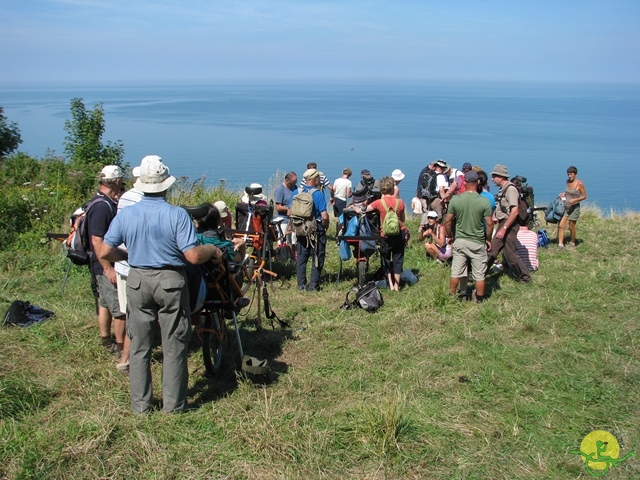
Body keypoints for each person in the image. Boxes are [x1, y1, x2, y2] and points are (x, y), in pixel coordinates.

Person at [100, 155, 222, 414]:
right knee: (174, 343)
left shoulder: (127, 214)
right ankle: (174, 406)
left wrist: (128, 256)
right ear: (166, 185)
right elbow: (191, 256)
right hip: (169, 280)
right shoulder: (177, 215)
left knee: (140, 345)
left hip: (137, 280)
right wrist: (211, 249)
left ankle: (141, 406)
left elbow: (105, 251)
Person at [86, 165, 126, 359]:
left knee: (104, 302)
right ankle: (120, 347)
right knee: (119, 307)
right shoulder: (103, 206)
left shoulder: (100, 202)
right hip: (104, 263)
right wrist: (108, 268)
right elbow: (97, 240)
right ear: (116, 182)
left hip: (99, 262)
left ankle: (105, 340)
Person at [444, 171, 494, 303]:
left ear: (464, 182)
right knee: (479, 275)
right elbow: (489, 224)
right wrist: (488, 239)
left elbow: (448, 221)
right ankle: (479, 299)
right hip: (477, 241)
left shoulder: (456, 199)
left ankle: (452, 297)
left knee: (456, 271)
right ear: (478, 182)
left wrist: (450, 236)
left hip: (460, 240)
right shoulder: (484, 201)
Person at [113, 165, 144, 374]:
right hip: (137, 266)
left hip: (123, 263)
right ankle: (127, 359)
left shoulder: (124, 198)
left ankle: (124, 353)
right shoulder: (141, 200)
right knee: (136, 316)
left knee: (129, 312)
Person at [485, 164, 532, 284]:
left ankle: (525, 278)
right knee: (495, 250)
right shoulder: (504, 189)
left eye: (494, 176)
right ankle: (480, 274)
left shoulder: (510, 189)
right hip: (504, 223)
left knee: (508, 253)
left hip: (508, 224)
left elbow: (514, 211)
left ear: (501, 177)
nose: (492, 178)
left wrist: (504, 228)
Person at [291, 168, 329, 292]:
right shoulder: (318, 194)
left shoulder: (296, 192)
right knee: (317, 256)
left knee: (301, 257)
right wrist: (325, 226)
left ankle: (301, 285)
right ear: (315, 179)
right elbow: (324, 216)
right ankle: (313, 286)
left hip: (300, 227)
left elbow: (290, 211)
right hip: (315, 228)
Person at [366, 176, 406, 291]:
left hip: (385, 236)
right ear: (392, 189)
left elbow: (365, 209)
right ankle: (397, 286)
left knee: (386, 259)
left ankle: (390, 284)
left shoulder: (379, 203)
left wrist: (356, 207)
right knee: (398, 258)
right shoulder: (400, 202)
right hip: (399, 233)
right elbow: (402, 219)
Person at [557, 165, 587, 250]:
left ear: (575, 174)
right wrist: (564, 194)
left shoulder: (579, 184)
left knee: (571, 227)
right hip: (567, 207)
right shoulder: (567, 182)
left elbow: (584, 196)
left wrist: (575, 200)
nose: (569, 176)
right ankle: (560, 244)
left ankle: (572, 242)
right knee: (561, 225)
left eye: (571, 174)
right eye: (568, 174)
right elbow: (568, 192)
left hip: (575, 207)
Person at [331, 168, 353, 236]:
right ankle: (340, 235)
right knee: (342, 219)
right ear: (349, 175)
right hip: (342, 201)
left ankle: (336, 233)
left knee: (338, 219)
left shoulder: (337, 180)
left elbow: (333, 189)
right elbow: (348, 194)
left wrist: (332, 197)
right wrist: (353, 193)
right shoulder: (348, 182)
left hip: (335, 200)